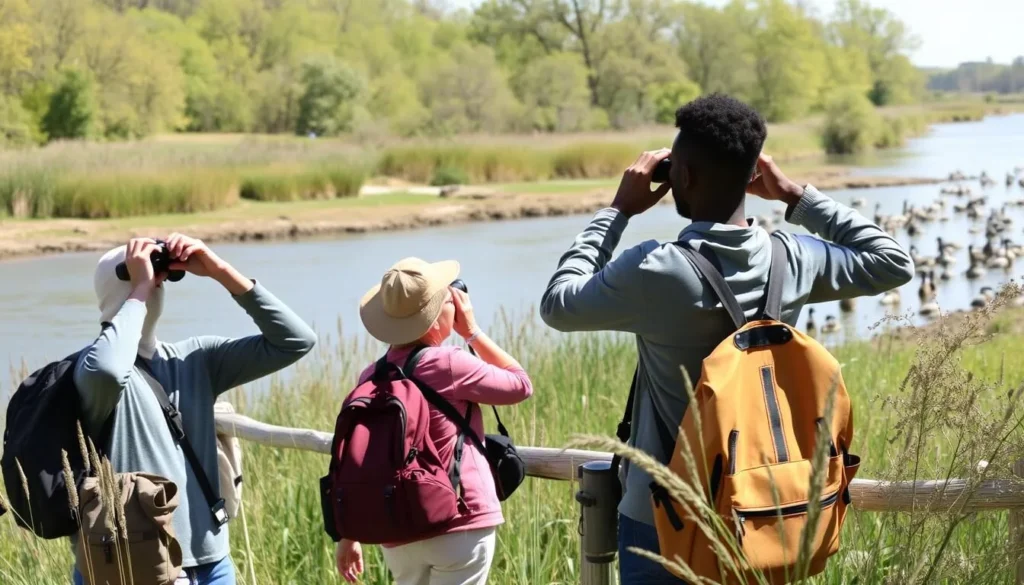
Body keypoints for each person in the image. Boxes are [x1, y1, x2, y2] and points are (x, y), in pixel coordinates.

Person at [538, 93, 915, 583]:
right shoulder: (792, 258)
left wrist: (618, 211)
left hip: (664, 519)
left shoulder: (657, 268)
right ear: (754, 172)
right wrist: (796, 196)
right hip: (766, 515)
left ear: (683, 176)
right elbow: (892, 261)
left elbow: (557, 304)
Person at [73, 234, 318, 585]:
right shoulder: (90, 370)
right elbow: (111, 368)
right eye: (148, 280)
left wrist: (220, 271)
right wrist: (141, 287)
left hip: (212, 561)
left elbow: (296, 340)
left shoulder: (195, 358)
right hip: (133, 565)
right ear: (120, 289)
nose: (157, 289)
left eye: (158, 283)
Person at [336, 257, 533, 585]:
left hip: (397, 531)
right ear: (432, 317)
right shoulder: (449, 363)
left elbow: (360, 457)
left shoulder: (370, 376)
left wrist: (349, 534)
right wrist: (472, 332)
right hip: (459, 522)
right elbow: (520, 384)